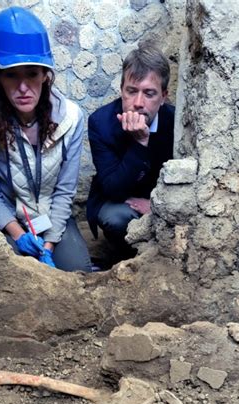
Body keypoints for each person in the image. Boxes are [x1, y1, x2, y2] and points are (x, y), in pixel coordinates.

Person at [0, 6, 92, 272]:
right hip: (12, 221)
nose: (23, 88)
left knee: (76, 273)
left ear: (46, 75)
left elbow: (65, 190)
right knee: (15, 277)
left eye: (32, 74)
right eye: (12, 75)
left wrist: (48, 246)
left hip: (53, 218)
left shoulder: (71, 117)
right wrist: (17, 235)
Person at [86, 43, 175, 264]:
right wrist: (139, 143)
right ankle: (123, 258)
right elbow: (113, 189)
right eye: (132, 91)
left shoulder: (176, 122)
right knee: (114, 218)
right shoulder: (101, 122)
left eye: (149, 93)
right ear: (122, 91)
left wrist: (154, 205)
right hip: (119, 201)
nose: (138, 103)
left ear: (163, 96)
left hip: (158, 202)